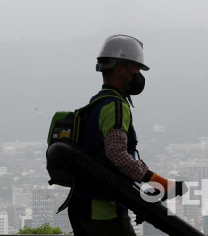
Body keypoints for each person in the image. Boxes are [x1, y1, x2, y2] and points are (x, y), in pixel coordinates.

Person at [67, 34, 187, 236]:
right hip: (102, 212)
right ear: (121, 68)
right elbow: (116, 153)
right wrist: (157, 181)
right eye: (136, 68)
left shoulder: (97, 102)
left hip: (82, 205)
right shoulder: (115, 105)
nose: (138, 74)